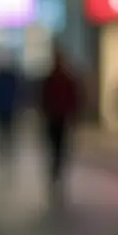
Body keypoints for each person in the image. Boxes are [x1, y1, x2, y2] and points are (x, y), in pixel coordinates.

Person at [39, 49, 80, 202]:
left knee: (61, 148)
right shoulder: (50, 79)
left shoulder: (66, 79)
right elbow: (43, 97)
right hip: (52, 118)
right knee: (53, 146)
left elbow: (74, 97)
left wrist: (72, 113)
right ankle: (54, 172)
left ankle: (58, 171)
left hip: (63, 118)